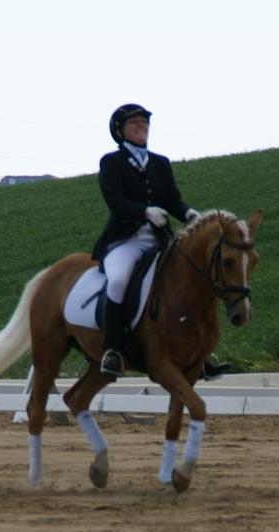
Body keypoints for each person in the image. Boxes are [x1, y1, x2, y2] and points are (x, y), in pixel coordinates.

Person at [91, 103, 229, 380]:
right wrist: (143, 211)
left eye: (144, 123)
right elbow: (116, 202)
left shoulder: (160, 163)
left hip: (158, 239)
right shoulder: (111, 162)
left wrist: (189, 213)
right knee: (118, 281)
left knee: (186, 282)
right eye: (134, 124)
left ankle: (197, 354)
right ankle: (112, 350)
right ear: (120, 131)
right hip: (126, 240)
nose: (141, 127)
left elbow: (172, 200)